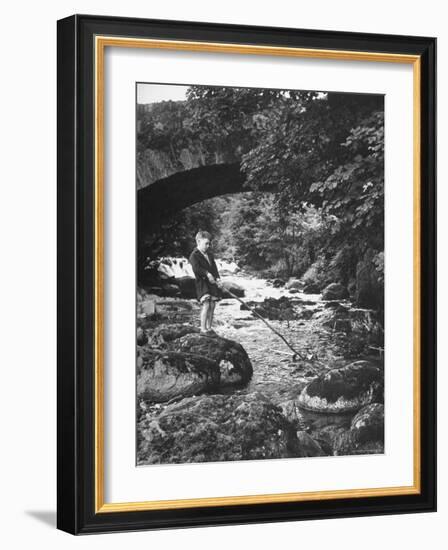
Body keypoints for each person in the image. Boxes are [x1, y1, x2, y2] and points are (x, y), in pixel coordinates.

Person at [188, 231, 223, 335]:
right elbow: (196, 268)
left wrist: (218, 279)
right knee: (206, 304)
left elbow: (214, 268)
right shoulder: (194, 255)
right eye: (206, 243)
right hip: (202, 283)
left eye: (209, 244)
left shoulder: (210, 255)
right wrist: (207, 274)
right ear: (198, 241)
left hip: (211, 283)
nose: (208, 246)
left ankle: (209, 328)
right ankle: (203, 329)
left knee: (212, 305)